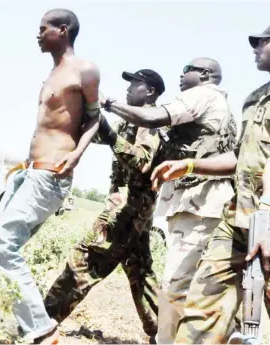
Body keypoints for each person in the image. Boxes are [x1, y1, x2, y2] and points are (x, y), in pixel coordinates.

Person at [151, 22, 270, 344]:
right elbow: (240, 158)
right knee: (201, 307)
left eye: (262, 42)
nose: (255, 49)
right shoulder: (254, 98)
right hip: (237, 219)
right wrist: (191, 164)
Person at [0, 8, 101, 344]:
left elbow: (94, 118)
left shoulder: (84, 70)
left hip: (50, 177)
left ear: (62, 30)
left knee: (2, 244)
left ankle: (41, 330)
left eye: (42, 29)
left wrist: (76, 154)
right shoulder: (52, 73)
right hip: (27, 175)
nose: (37, 35)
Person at [99, 58, 237, 344]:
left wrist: (107, 103)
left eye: (187, 69)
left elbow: (151, 119)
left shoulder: (200, 95)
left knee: (175, 288)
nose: (182, 75)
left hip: (197, 204)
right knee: (198, 289)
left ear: (205, 75)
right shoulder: (223, 109)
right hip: (204, 205)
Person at [43, 69, 166, 343]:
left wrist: (110, 133)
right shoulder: (132, 122)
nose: (129, 88)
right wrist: (78, 110)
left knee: (85, 259)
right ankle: (166, 333)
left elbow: (142, 161)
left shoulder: (150, 123)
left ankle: (42, 320)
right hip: (136, 208)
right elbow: (102, 136)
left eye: (135, 83)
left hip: (126, 207)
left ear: (150, 92)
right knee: (141, 271)